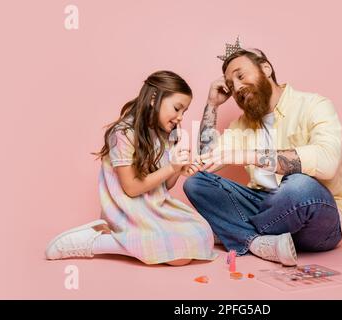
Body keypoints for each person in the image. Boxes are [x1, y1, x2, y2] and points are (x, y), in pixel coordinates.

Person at [184, 43, 342, 266]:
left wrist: (249, 155)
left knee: (298, 185)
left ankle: (235, 233)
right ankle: (257, 241)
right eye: (230, 85)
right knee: (195, 183)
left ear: (266, 68)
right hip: (265, 205)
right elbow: (207, 161)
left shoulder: (314, 105)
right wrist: (212, 105)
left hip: (316, 215)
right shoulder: (241, 125)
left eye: (241, 75)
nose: (237, 87)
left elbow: (328, 162)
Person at [45, 70, 217, 266]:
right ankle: (95, 242)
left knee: (202, 231)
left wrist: (179, 169)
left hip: (154, 206)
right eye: (177, 108)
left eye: (184, 111)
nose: (180, 117)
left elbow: (165, 186)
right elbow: (131, 188)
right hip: (129, 210)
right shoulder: (124, 133)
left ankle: (134, 241)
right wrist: (171, 167)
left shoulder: (166, 134)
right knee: (180, 256)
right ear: (154, 98)